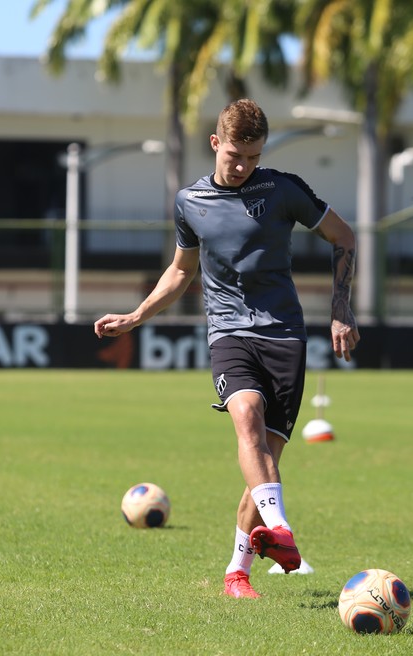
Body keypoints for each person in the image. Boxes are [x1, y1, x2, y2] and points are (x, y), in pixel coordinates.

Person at [94, 99, 360, 597]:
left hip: (284, 335)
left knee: (266, 466)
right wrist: (135, 317)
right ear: (216, 144)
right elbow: (180, 271)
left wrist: (342, 308)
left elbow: (343, 236)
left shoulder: (283, 189)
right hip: (228, 332)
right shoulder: (189, 202)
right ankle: (281, 533)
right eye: (234, 155)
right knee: (247, 417)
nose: (242, 167)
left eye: (252, 158)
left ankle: (237, 572)